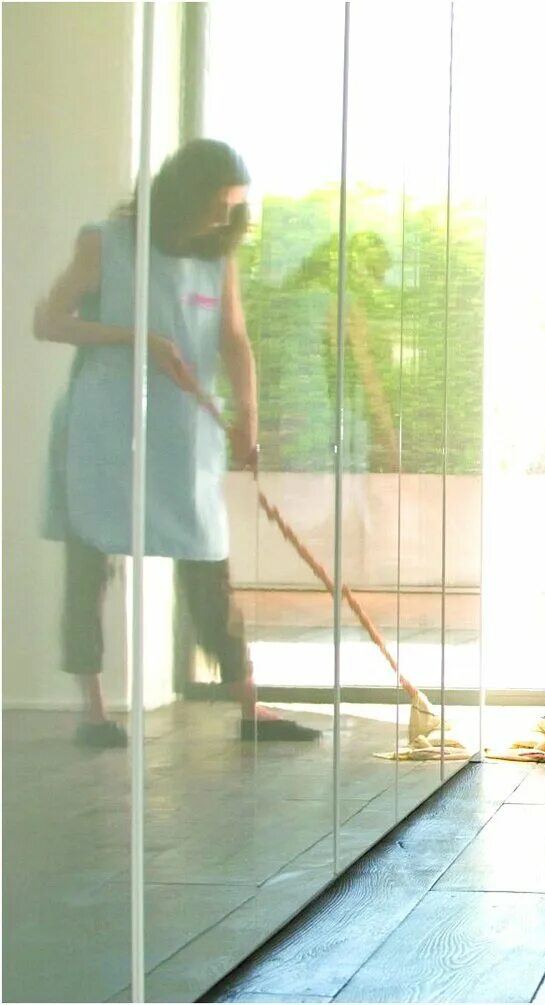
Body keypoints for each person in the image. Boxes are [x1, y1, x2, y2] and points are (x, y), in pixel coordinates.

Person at [35, 139, 318, 747]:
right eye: (216, 205)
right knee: (89, 565)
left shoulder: (218, 257)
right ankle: (93, 712)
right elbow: (49, 321)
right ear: (182, 195)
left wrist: (248, 418)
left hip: (185, 434)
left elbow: (234, 340)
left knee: (207, 566)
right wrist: (138, 337)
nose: (224, 220)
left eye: (233, 209)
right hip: (105, 429)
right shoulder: (104, 242)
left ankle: (250, 707)